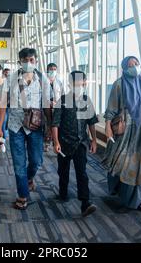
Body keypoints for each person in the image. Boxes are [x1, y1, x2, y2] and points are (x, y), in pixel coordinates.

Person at [0, 48, 52, 210]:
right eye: (25, 60)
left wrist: (49, 126)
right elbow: (2, 106)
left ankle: (28, 179)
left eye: (32, 60)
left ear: (36, 60)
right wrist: (0, 128)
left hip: (35, 126)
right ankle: (22, 195)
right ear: (20, 61)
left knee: (36, 160)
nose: (29, 63)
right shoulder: (11, 79)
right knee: (19, 163)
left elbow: (47, 106)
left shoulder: (42, 79)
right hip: (16, 126)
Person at [103, 56, 141, 210]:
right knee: (123, 162)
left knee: (140, 164)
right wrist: (107, 126)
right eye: (130, 64)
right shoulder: (119, 85)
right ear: (124, 68)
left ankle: (137, 199)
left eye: (136, 63)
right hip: (126, 129)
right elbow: (112, 107)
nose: (134, 66)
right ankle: (119, 191)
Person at [51, 71, 99, 217]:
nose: (80, 86)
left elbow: (91, 122)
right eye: (77, 84)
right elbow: (55, 124)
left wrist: (94, 140)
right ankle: (63, 192)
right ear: (70, 84)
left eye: (82, 84)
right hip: (64, 143)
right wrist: (56, 142)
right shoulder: (63, 101)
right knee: (63, 171)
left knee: (82, 173)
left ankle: (85, 203)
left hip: (81, 143)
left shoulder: (86, 100)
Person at [44, 63, 65, 152]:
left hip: (57, 107)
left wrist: (58, 103)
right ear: (47, 70)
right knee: (47, 124)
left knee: (55, 125)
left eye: (54, 69)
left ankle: (55, 143)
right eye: (51, 69)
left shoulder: (59, 82)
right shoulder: (43, 81)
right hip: (46, 107)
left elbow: (63, 95)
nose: (53, 71)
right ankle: (47, 142)